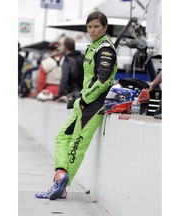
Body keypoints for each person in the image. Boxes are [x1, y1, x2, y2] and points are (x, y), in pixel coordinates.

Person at [35, 11, 118, 200]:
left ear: (105, 28)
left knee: (76, 147)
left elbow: (104, 80)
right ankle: (60, 176)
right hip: (83, 103)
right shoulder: (94, 47)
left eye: (97, 26)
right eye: (90, 26)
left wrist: (85, 98)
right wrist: (81, 99)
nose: (93, 30)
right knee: (61, 138)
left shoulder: (105, 49)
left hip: (93, 105)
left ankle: (60, 187)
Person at [55, 37, 85, 109]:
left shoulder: (68, 59)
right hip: (85, 88)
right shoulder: (83, 57)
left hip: (73, 90)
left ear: (65, 46)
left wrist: (60, 93)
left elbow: (64, 77)